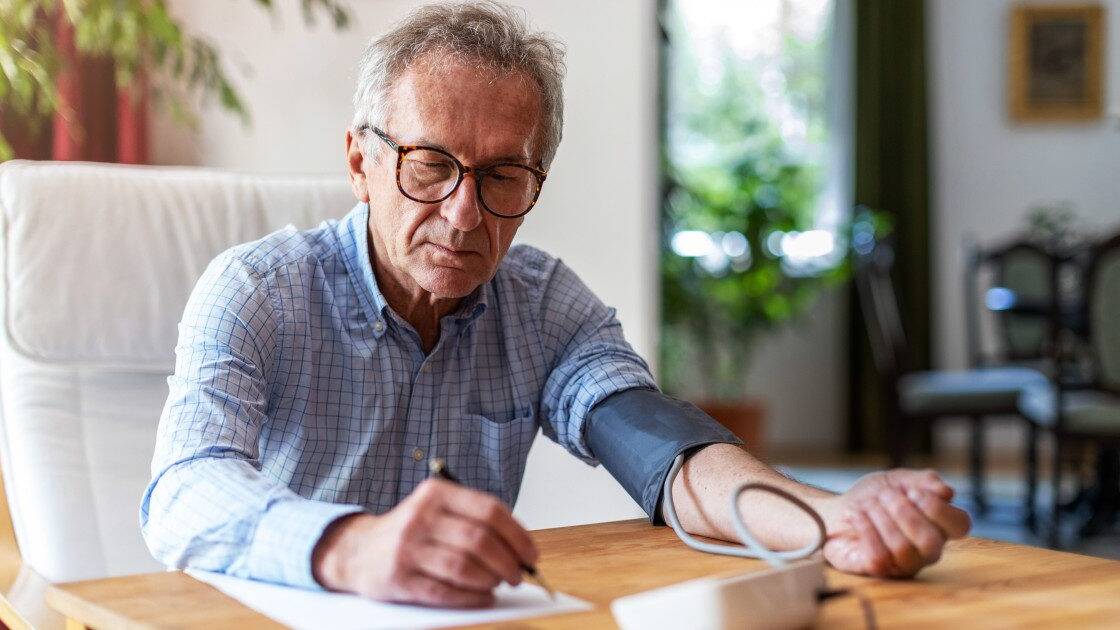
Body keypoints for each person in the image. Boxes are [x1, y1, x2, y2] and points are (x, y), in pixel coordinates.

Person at [141, 0, 970, 609]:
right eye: (430, 165)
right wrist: (354, 548)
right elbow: (183, 491)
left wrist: (832, 519)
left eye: (503, 176)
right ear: (360, 161)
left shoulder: (540, 305)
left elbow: (662, 451)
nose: (465, 214)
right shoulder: (255, 291)